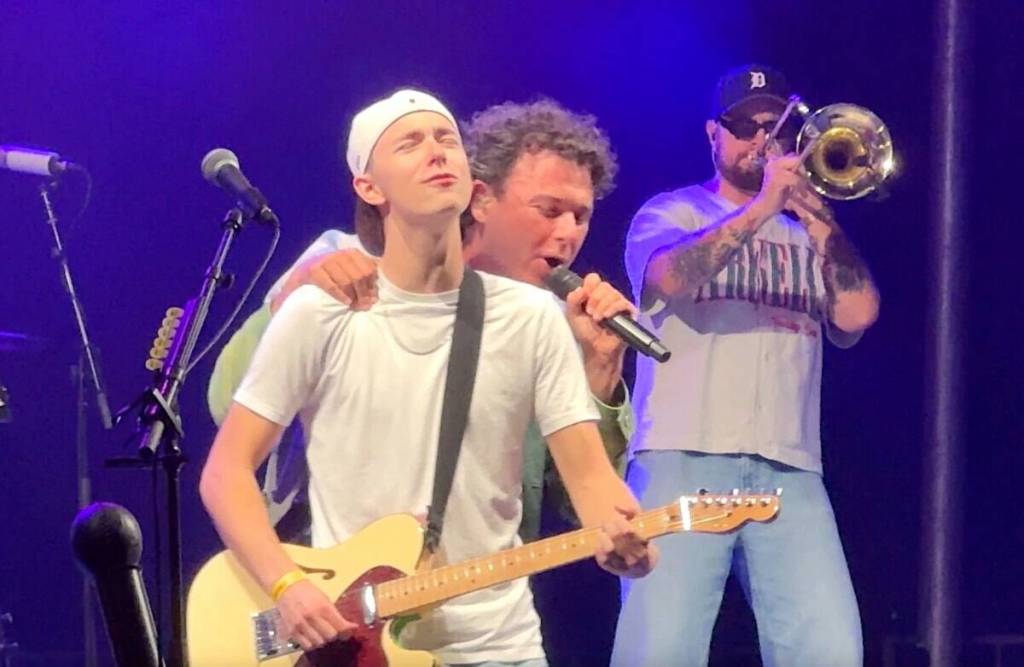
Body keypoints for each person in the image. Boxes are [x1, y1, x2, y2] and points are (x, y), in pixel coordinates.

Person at [200, 89, 656, 666]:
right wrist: (287, 586)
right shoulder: (324, 305)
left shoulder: (531, 317)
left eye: (447, 140)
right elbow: (225, 471)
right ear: (369, 186)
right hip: (361, 642)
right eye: (410, 143)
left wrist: (623, 531)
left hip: (501, 645)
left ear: (471, 185)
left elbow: (590, 481)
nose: (438, 152)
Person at [611, 64, 879, 666]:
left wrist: (817, 218)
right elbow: (668, 276)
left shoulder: (811, 236)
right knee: (661, 650)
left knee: (830, 652)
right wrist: (762, 207)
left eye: (776, 128)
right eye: (745, 127)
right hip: (682, 453)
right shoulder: (671, 213)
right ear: (714, 134)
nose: (762, 140)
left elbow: (858, 314)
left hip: (791, 466)